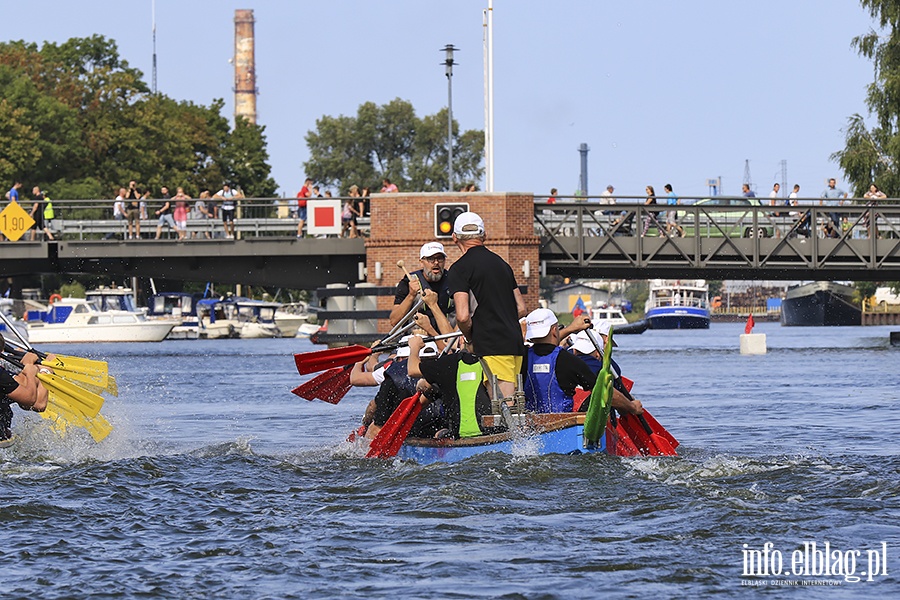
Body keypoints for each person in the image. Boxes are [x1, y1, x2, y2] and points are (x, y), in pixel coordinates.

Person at [447, 212, 527, 399]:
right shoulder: (503, 264)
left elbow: (462, 316)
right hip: (515, 342)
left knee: (503, 405)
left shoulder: (459, 268)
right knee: (515, 402)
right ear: (484, 236)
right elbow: (522, 308)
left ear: (454, 238)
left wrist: (469, 339)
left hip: (492, 345)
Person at [406, 334, 492, 439]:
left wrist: (415, 347)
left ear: (461, 339)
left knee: (439, 434)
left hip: (461, 438)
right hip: (498, 436)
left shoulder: (450, 363)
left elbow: (412, 370)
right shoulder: (502, 360)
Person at [390, 242, 455, 332]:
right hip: (417, 338)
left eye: (440, 258)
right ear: (421, 262)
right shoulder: (408, 282)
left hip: (448, 339)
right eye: (431, 259)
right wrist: (411, 295)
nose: (436, 262)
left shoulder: (454, 281)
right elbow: (394, 321)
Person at [1, 351, 52, 446]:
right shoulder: (2, 376)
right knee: (25, 380)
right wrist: (45, 372)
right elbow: (37, 405)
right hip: (2, 435)